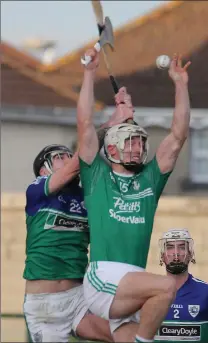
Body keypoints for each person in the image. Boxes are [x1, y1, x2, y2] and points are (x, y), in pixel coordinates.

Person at [77, 45, 191, 343]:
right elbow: (85, 124)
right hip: (104, 278)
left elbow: (178, 135)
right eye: (130, 142)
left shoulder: (150, 180)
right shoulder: (96, 175)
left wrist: (180, 85)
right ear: (111, 148)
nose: (137, 148)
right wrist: (89, 73)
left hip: (135, 285)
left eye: (140, 143)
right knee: (168, 286)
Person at [23, 103, 133, 342]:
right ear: (44, 170)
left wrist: (124, 128)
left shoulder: (87, 196)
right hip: (45, 306)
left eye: (67, 154)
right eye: (59, 157)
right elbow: (82, 158)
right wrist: (113, 120)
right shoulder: (36, 191)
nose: (67, 158)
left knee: (128, 335)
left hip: (79, 297)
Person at [156, 228, 208, 343]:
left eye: (182, 247)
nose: (176, 253)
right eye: (170, 247)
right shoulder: (147, 292)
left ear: (191, 254)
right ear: (162, 255)